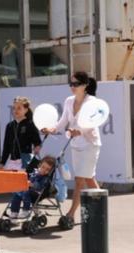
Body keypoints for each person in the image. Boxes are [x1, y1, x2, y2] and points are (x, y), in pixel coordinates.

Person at [42, 71, 101, 223]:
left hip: (90, 144)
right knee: (89, 178)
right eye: (71, 84)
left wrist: (79, 131)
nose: (72, 87)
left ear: (85, 85)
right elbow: (62, 122)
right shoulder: (69, 101)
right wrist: (51, 129)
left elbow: (92, 124)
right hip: (75, 144)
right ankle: (101, 208)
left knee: (80, 179)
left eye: (76, 84)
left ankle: (71, 214)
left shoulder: (92, 101)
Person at [0, 96, 41, 170]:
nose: (16, 110)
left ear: (26, 110)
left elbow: (37, 141)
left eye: (19, 108)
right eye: (14, 108)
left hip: (26, 159)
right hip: (12, 161)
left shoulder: (30, 124)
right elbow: (6, 146)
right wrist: (2, 162)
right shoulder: (10, 126)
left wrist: (37, 147)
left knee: (24, 180)